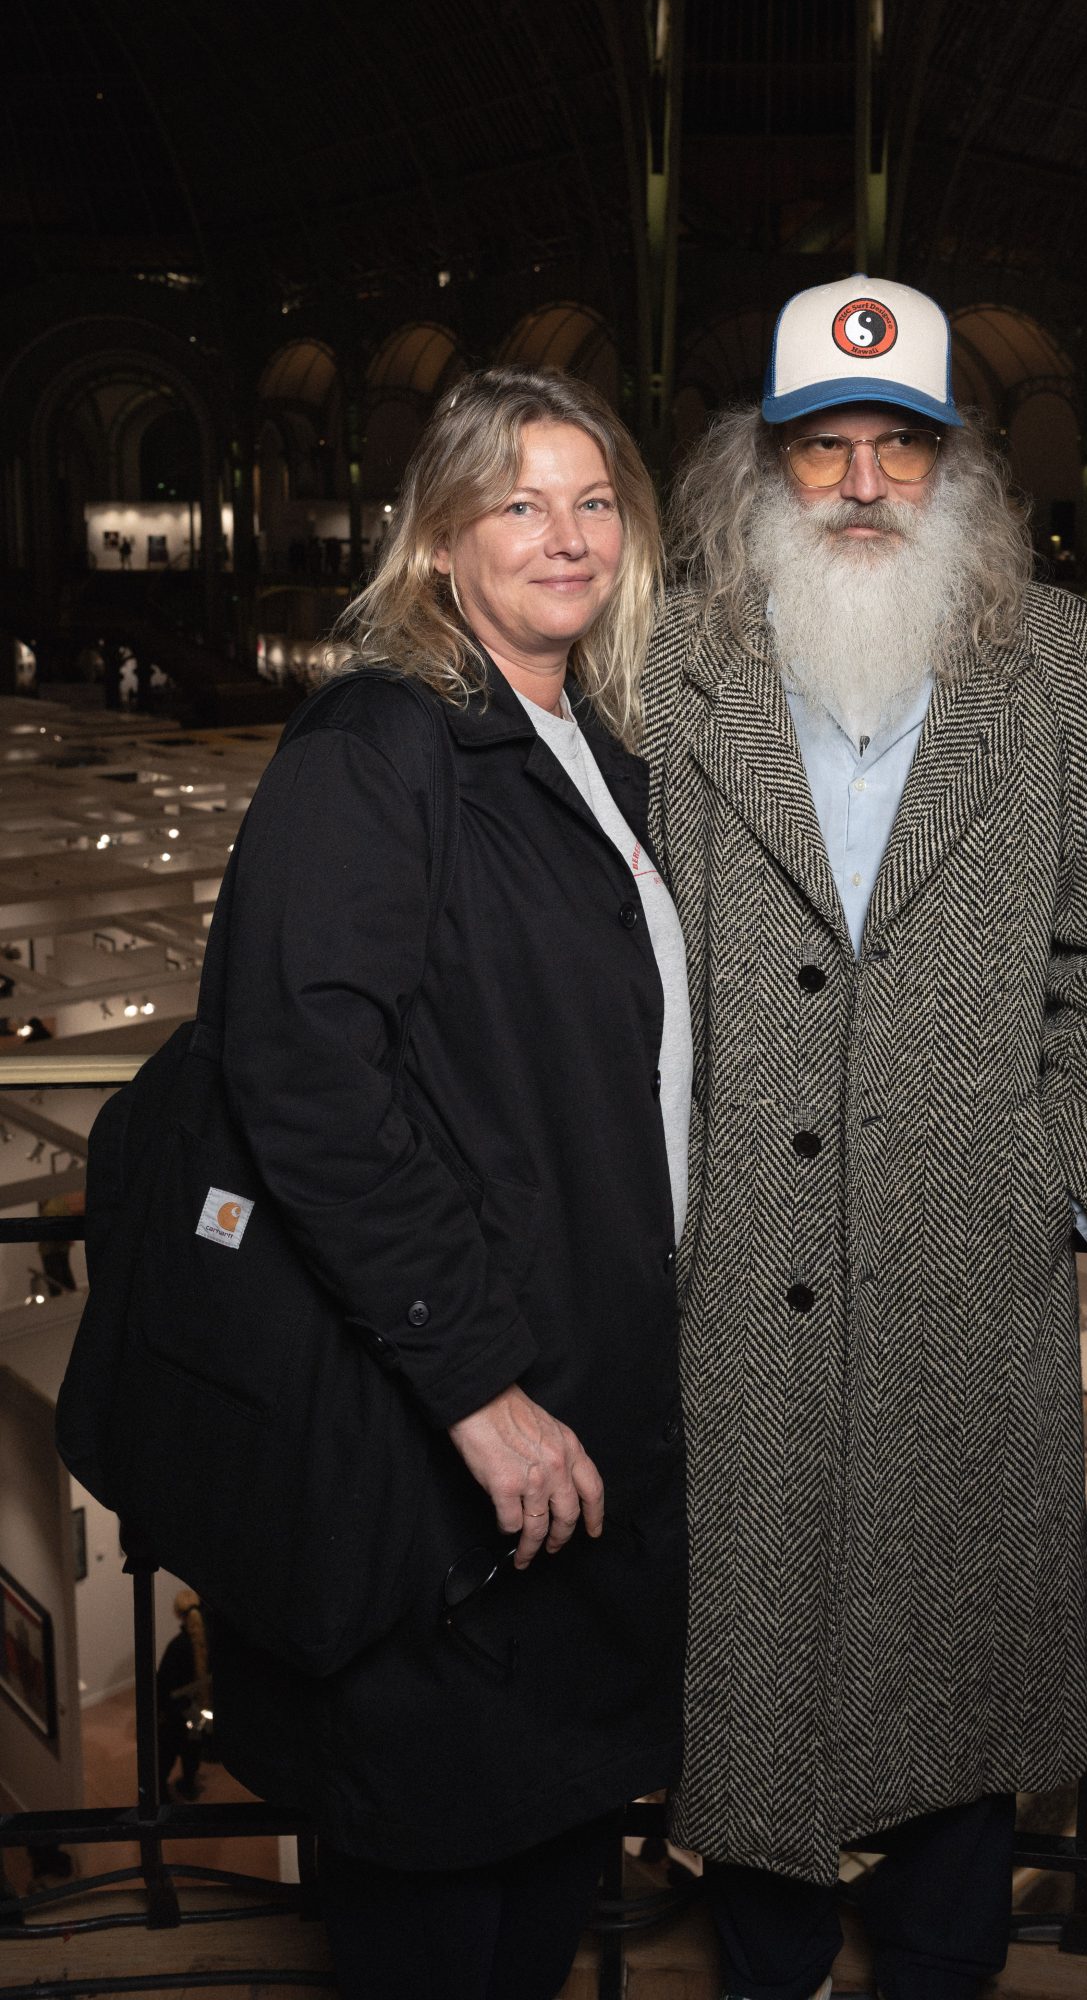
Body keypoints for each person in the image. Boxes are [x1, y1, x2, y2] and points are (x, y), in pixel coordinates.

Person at [644, 275, 1087, 2000]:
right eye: (824, 451)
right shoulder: (672, 666)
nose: (864, 482)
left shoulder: (1071, 673)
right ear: (764, 466)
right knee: (756, 1695)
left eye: (900, 446)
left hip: (973, 1291)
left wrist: (1064, 1179)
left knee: (957, 1719)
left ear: (958, 470)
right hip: (732, 1294)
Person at [209, 368, 689, 2000]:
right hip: (461, 1444)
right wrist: (476, 1381)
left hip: (597, 1420)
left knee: (548, 1854)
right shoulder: (380, 734)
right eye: (519, 503)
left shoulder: (598, 745)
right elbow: (301, 1067)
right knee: (435, 1887)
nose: (567, 536)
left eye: (594, 499)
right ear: (436, 540)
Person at [156, 1588, 211, 1802]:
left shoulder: (176, 1647)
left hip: (177, 1714)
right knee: (191, 1749)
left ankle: (160, 1793)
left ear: (178, 1613)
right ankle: (189, 1784)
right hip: (197, 1713)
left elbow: (164, 1687)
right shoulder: (204, 1641)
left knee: (166, 1755)